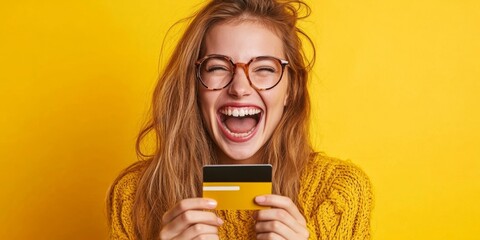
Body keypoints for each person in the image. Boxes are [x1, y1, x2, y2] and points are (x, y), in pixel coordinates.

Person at [107, 0, 373, 239]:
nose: (240, 87)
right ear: (193, 85)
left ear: (291, 90)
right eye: (218, 67)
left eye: (265, 68)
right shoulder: (135, 196)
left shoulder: (338, 192)